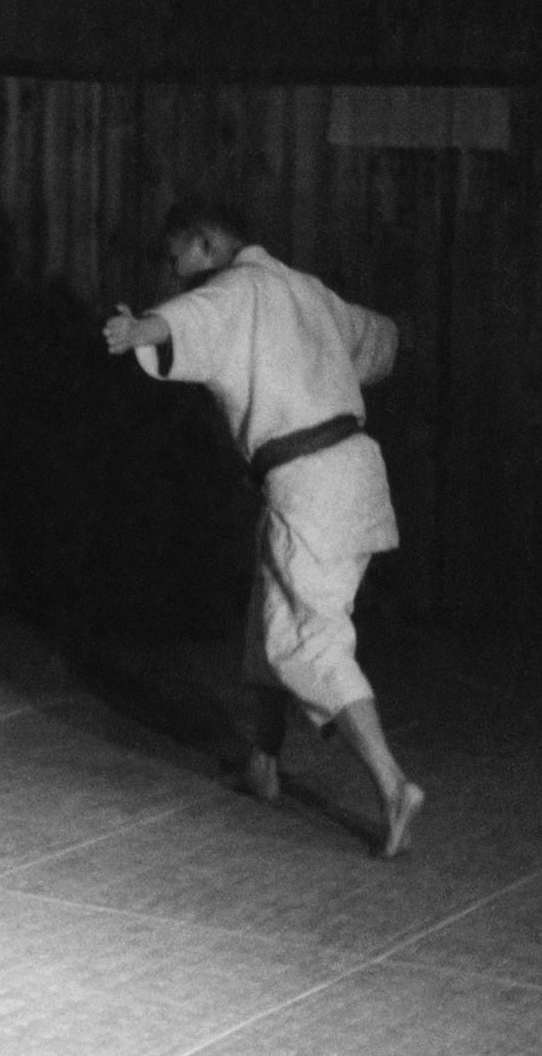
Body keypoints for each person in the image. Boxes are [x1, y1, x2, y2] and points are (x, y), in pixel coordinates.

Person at [102, 200, 424, 861]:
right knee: (270, 622)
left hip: (311, 483)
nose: (173, 269)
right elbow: (377, 338)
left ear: (204, 241)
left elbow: (192, 318)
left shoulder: (237, 288)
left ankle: (393, 786)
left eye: (176, 255)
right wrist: (405, 330)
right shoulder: (307, 289)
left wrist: (142, 331)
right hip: (349, 474)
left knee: (311, 643)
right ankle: (264, 763)